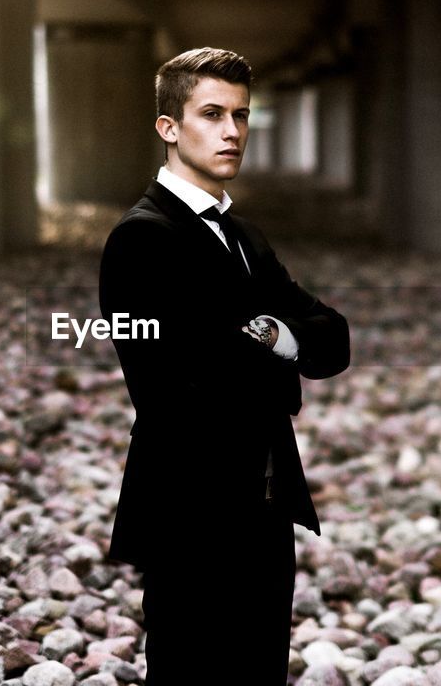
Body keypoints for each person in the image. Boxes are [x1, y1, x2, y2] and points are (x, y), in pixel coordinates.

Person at [98, 47, 350, 685]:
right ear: (169, 127)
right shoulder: (143, 238)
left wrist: (273, 339)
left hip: (265, 500)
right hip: (191, 507)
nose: (233, 131)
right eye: (211, 114)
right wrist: (273, 351)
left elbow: (334, 338)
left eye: (240, 115)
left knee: (261, 672)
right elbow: (170, 388)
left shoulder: (245, 236)